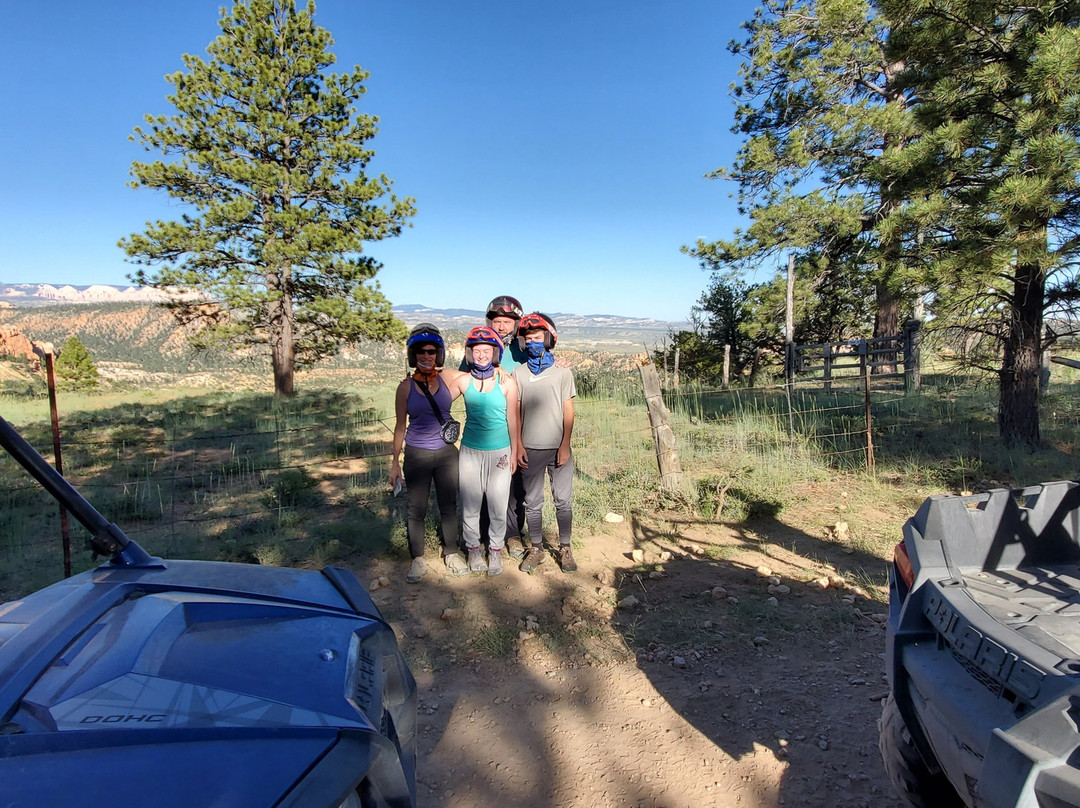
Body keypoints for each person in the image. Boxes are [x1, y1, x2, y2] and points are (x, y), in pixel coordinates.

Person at [389, 323, 468, 581]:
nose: (426, 356)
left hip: (446, 454)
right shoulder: (405, 387)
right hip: (417, 453)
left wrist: (498, 372)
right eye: (421, 352)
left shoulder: (446, 378)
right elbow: (400, 426)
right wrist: (394, 463)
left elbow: (475, 375)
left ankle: (452, 552)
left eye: (432, 351)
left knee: (448, 504)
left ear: (439, 354)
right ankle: (418, 559)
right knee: (417, 508)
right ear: (413, 355)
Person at [445, 325, 521, 576]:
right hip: (470, 452)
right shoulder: (464, 381)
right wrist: (418, 380)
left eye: (487, 350)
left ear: (495, 353)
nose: (481, 355)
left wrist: (515, 449)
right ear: (469, 353)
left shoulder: (506, 381)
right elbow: (440, 401)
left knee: (498, 504)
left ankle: (496, 551)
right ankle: (474, 549)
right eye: (477, 351)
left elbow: (513, 418)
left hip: (500, 452)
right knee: (471, 503)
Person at [463, 295, 530, 559]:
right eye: (497, 321)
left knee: (514, 488)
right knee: (482, 488)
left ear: (516, 323)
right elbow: (463, 378)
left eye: (507, 322)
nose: (501, 326)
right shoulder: (481, 346)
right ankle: (479, 537)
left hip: (520, 424)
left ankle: (512, 535)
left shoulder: (522, 349)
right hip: (487, 431)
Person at [511, 313, 578, 573]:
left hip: (558, 447)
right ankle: (536, 548)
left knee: (563, 500)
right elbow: (514, 413)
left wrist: (565, 444)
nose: (533, 342)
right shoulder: (518, 373)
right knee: (533, 502)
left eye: (538, 337)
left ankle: (565, 548)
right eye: (528, 339)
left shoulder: (562, 372)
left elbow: (568, 411)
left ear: (549, 339)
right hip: (530, 448)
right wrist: (517, 445)